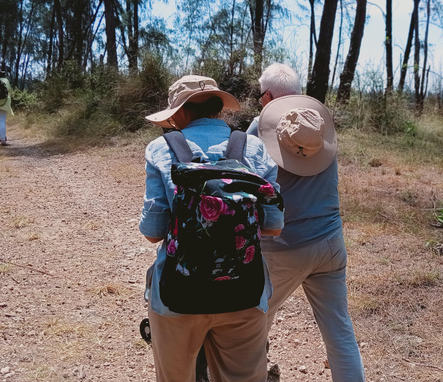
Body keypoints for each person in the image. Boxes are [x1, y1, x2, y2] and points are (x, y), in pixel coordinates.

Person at [139, 74, 284, 382]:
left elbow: (152, 231)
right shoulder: (255, 148)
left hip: (178, 294)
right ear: (219, 107)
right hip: (244, 291)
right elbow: (273, 227)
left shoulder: (160, 149)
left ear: (179, 112)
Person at [248, 63, 366, 382]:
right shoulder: (320, 126)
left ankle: (254, 369)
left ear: (269, 96)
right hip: (330, 243)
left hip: (282, 247)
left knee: (256, 316)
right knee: (339, 331)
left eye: (261, 97)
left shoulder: (260, 128)